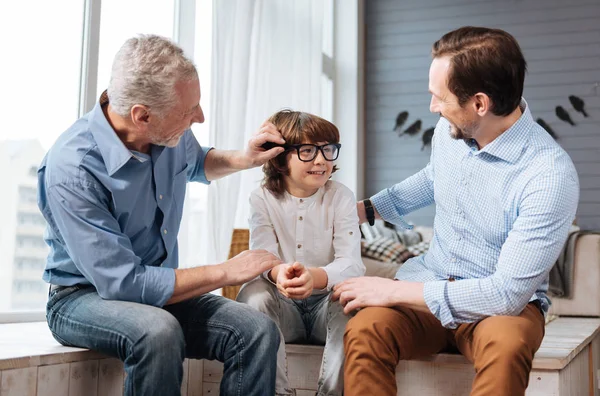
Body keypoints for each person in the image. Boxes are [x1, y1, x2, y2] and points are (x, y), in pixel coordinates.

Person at [332, 26, 579, 396]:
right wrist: (364, 211)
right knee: (365, 330)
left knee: (507, 348)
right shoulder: (452, 131)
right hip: (432, 280)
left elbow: (505, 294)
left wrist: (393, 291)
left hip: (499, 306)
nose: (433, 107)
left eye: (440, 98)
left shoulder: (548, 175)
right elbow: (434, 179)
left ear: (480, 104)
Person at [38, 34, 287, 396]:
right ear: (142, 116)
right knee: (158, 330)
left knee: (257, 330)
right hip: (81, 297)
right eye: (190, 112)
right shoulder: (73, 169)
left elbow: (198, 163)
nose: (199, 118)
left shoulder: (166, 132)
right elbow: (123, 283)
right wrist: (226, 270)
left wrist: (244, 158)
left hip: (154, 290)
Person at [236, 109, 365, 396]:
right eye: (307, 151)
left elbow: (352, 264)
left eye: (327, 150)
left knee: (352, 302)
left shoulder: (340, 196)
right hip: (282, 309)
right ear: (280, 158)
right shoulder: (261, 198)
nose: (321, 160)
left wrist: (315, 277)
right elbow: (262, 255)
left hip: (325, 309)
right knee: (252, 294)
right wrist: (278, 272)